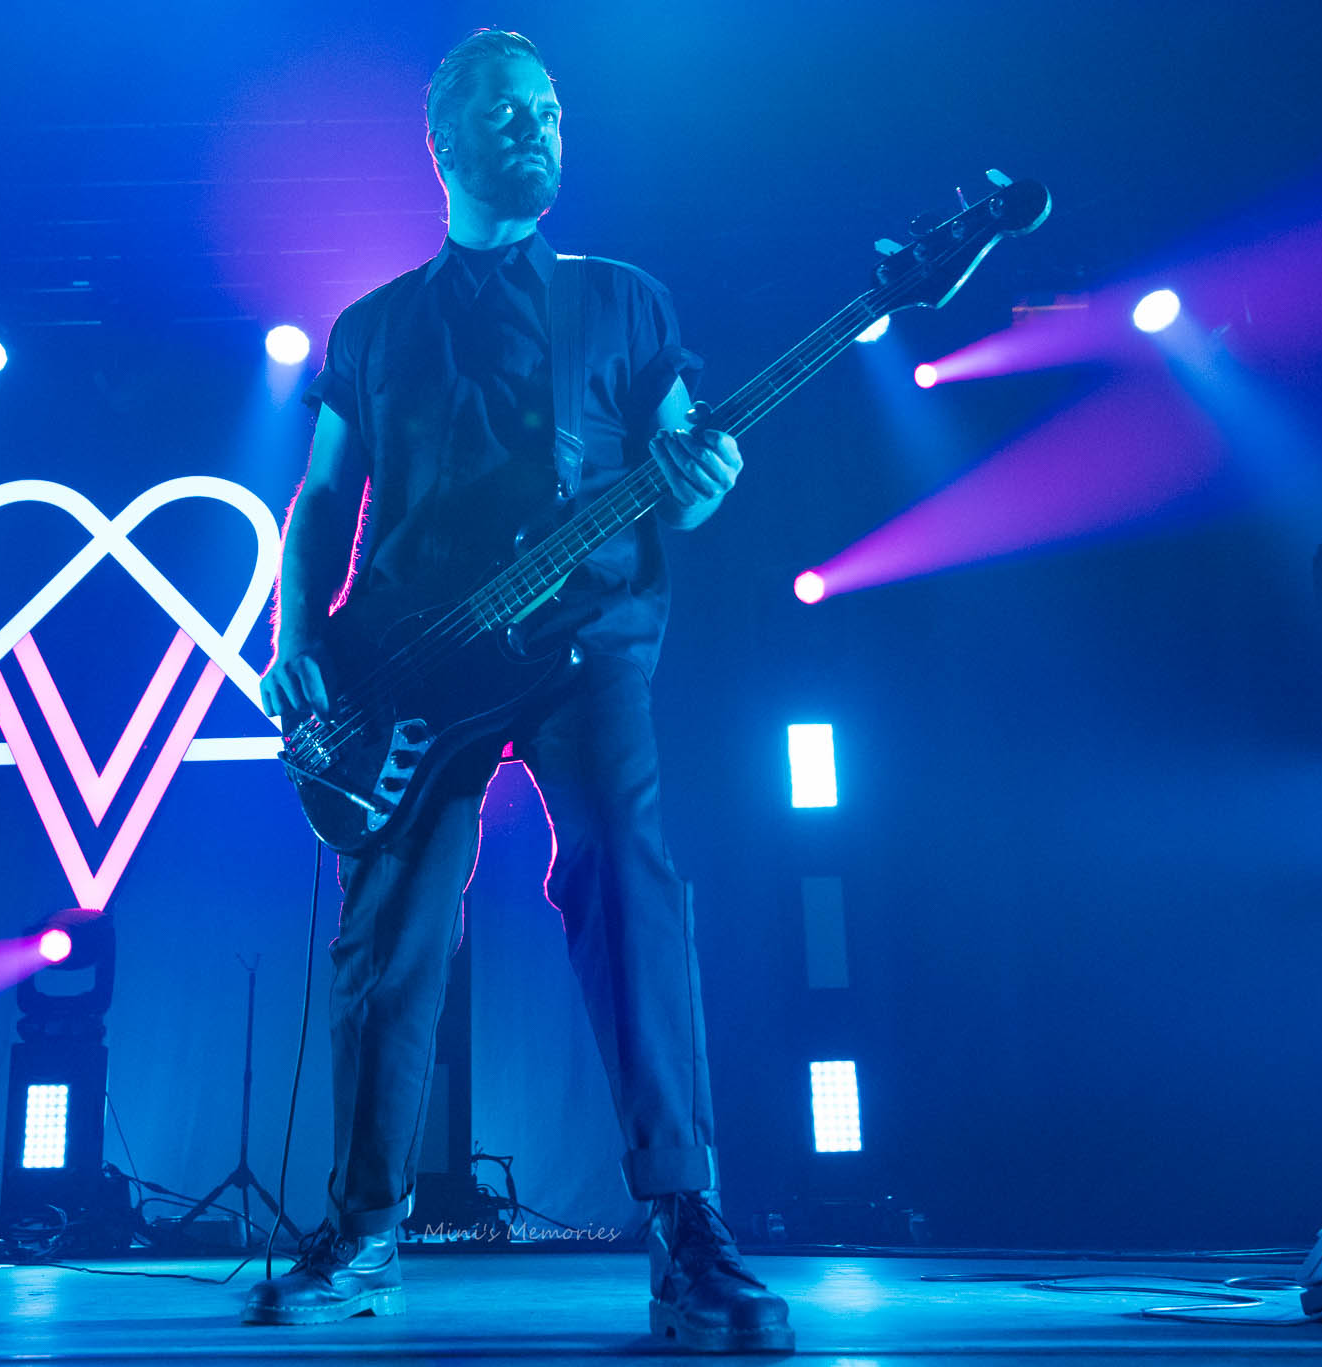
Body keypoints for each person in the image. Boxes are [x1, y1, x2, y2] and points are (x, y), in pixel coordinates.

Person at [248, 29, 792, 1354]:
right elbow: (323, 500)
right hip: (404, 664)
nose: (536, 127)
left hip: (584, 640)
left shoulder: (623, 302)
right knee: (388, 935)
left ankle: (684, 1224)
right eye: (505, 111)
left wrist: (704, 484)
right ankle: (362, 1229)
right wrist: (295, 633)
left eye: (549, 110)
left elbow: (678, 464)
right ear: (442, 142)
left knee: (627, 868)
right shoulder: (373, 327)